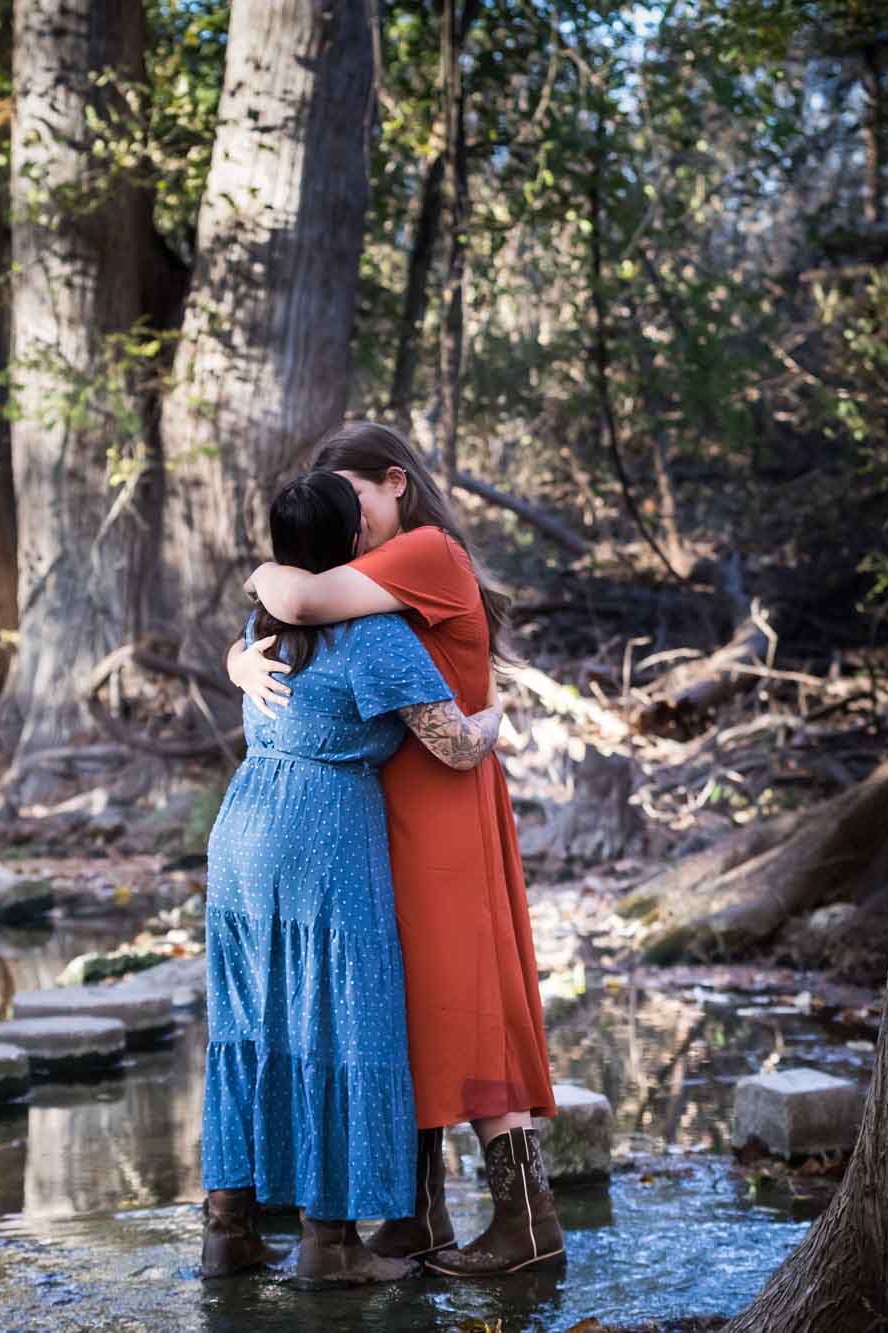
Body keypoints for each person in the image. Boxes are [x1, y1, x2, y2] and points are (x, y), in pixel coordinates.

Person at [230, 421, 564, 1277]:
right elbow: (289, 614)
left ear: (395, 483)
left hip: (443, 803)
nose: (353, 514)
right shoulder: (374, 569)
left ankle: (527, 1219)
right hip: (381, 808)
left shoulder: (426, 551)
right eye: (339, 503)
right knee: (401, 1003)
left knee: (463, 1000)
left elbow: (294, 599)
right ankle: (419, 1216)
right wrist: (241, 657)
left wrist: (262, 580)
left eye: (359, 495)